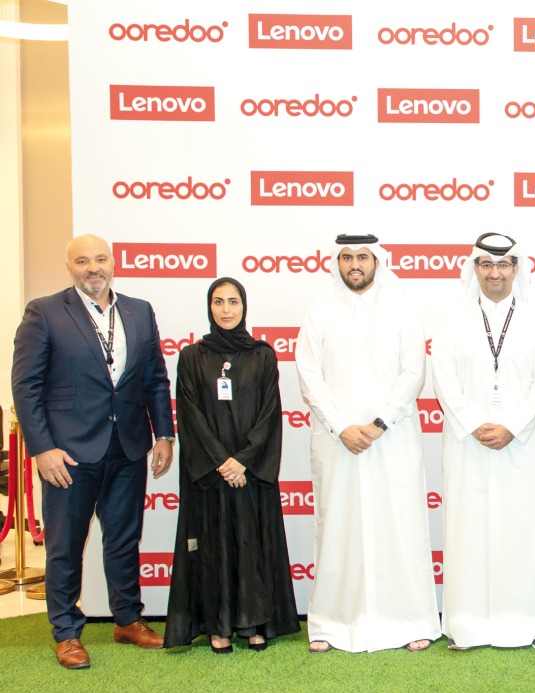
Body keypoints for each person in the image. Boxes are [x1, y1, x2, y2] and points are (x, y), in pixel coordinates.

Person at [12, 233, 173, 669]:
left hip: (127, 447)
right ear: (70, 268)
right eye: (82, 261)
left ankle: (127, 620)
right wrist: (42, 449)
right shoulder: (44, 312)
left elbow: (155, 377)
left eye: (100, 259)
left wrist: (164, 434)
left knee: (124, 539)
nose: (92, 268)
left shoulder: (139, 311)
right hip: (67, 454)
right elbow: (26, 387)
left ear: (113, 262)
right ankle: (66, 631)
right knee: (65, 544)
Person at [295, 234, 439, 654]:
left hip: (391, 439)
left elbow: (413, 373)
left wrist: (377, 424)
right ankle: (331, 624)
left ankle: (411, 620)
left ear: (377, 260)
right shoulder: (319, 313)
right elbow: (309, 376)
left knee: (400, 525)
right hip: (336, 440)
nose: (354, 264)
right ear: (336, 262)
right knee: (337, 526)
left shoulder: (401, 310)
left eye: (362, 256)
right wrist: (342, 426)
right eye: (346, 257)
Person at [431, 233, 535, 650]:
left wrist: (512, 426)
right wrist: (474, 422)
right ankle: (466, 626)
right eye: (486, 264)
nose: (495, 272)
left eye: (503, 265)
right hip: (468, 443)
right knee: (469, 533)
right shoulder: (452, 318)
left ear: (516, 269)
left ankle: (531, 623)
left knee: (525, 533)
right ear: (475, 269)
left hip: (521, 443)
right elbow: (444, 378)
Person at [164, 278, 300, 653]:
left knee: (252, 543)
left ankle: (255, 622)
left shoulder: (262, 354)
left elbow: (271, 413)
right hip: (210, 476)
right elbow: (189, 416)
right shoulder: (192, 356)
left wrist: (244, 461)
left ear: (244, 307)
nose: (226, 309)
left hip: (250, 474)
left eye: (234, 302)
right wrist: (222, 462)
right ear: (209, 307)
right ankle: (217, 625)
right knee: (211, 548)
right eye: (218, 302)